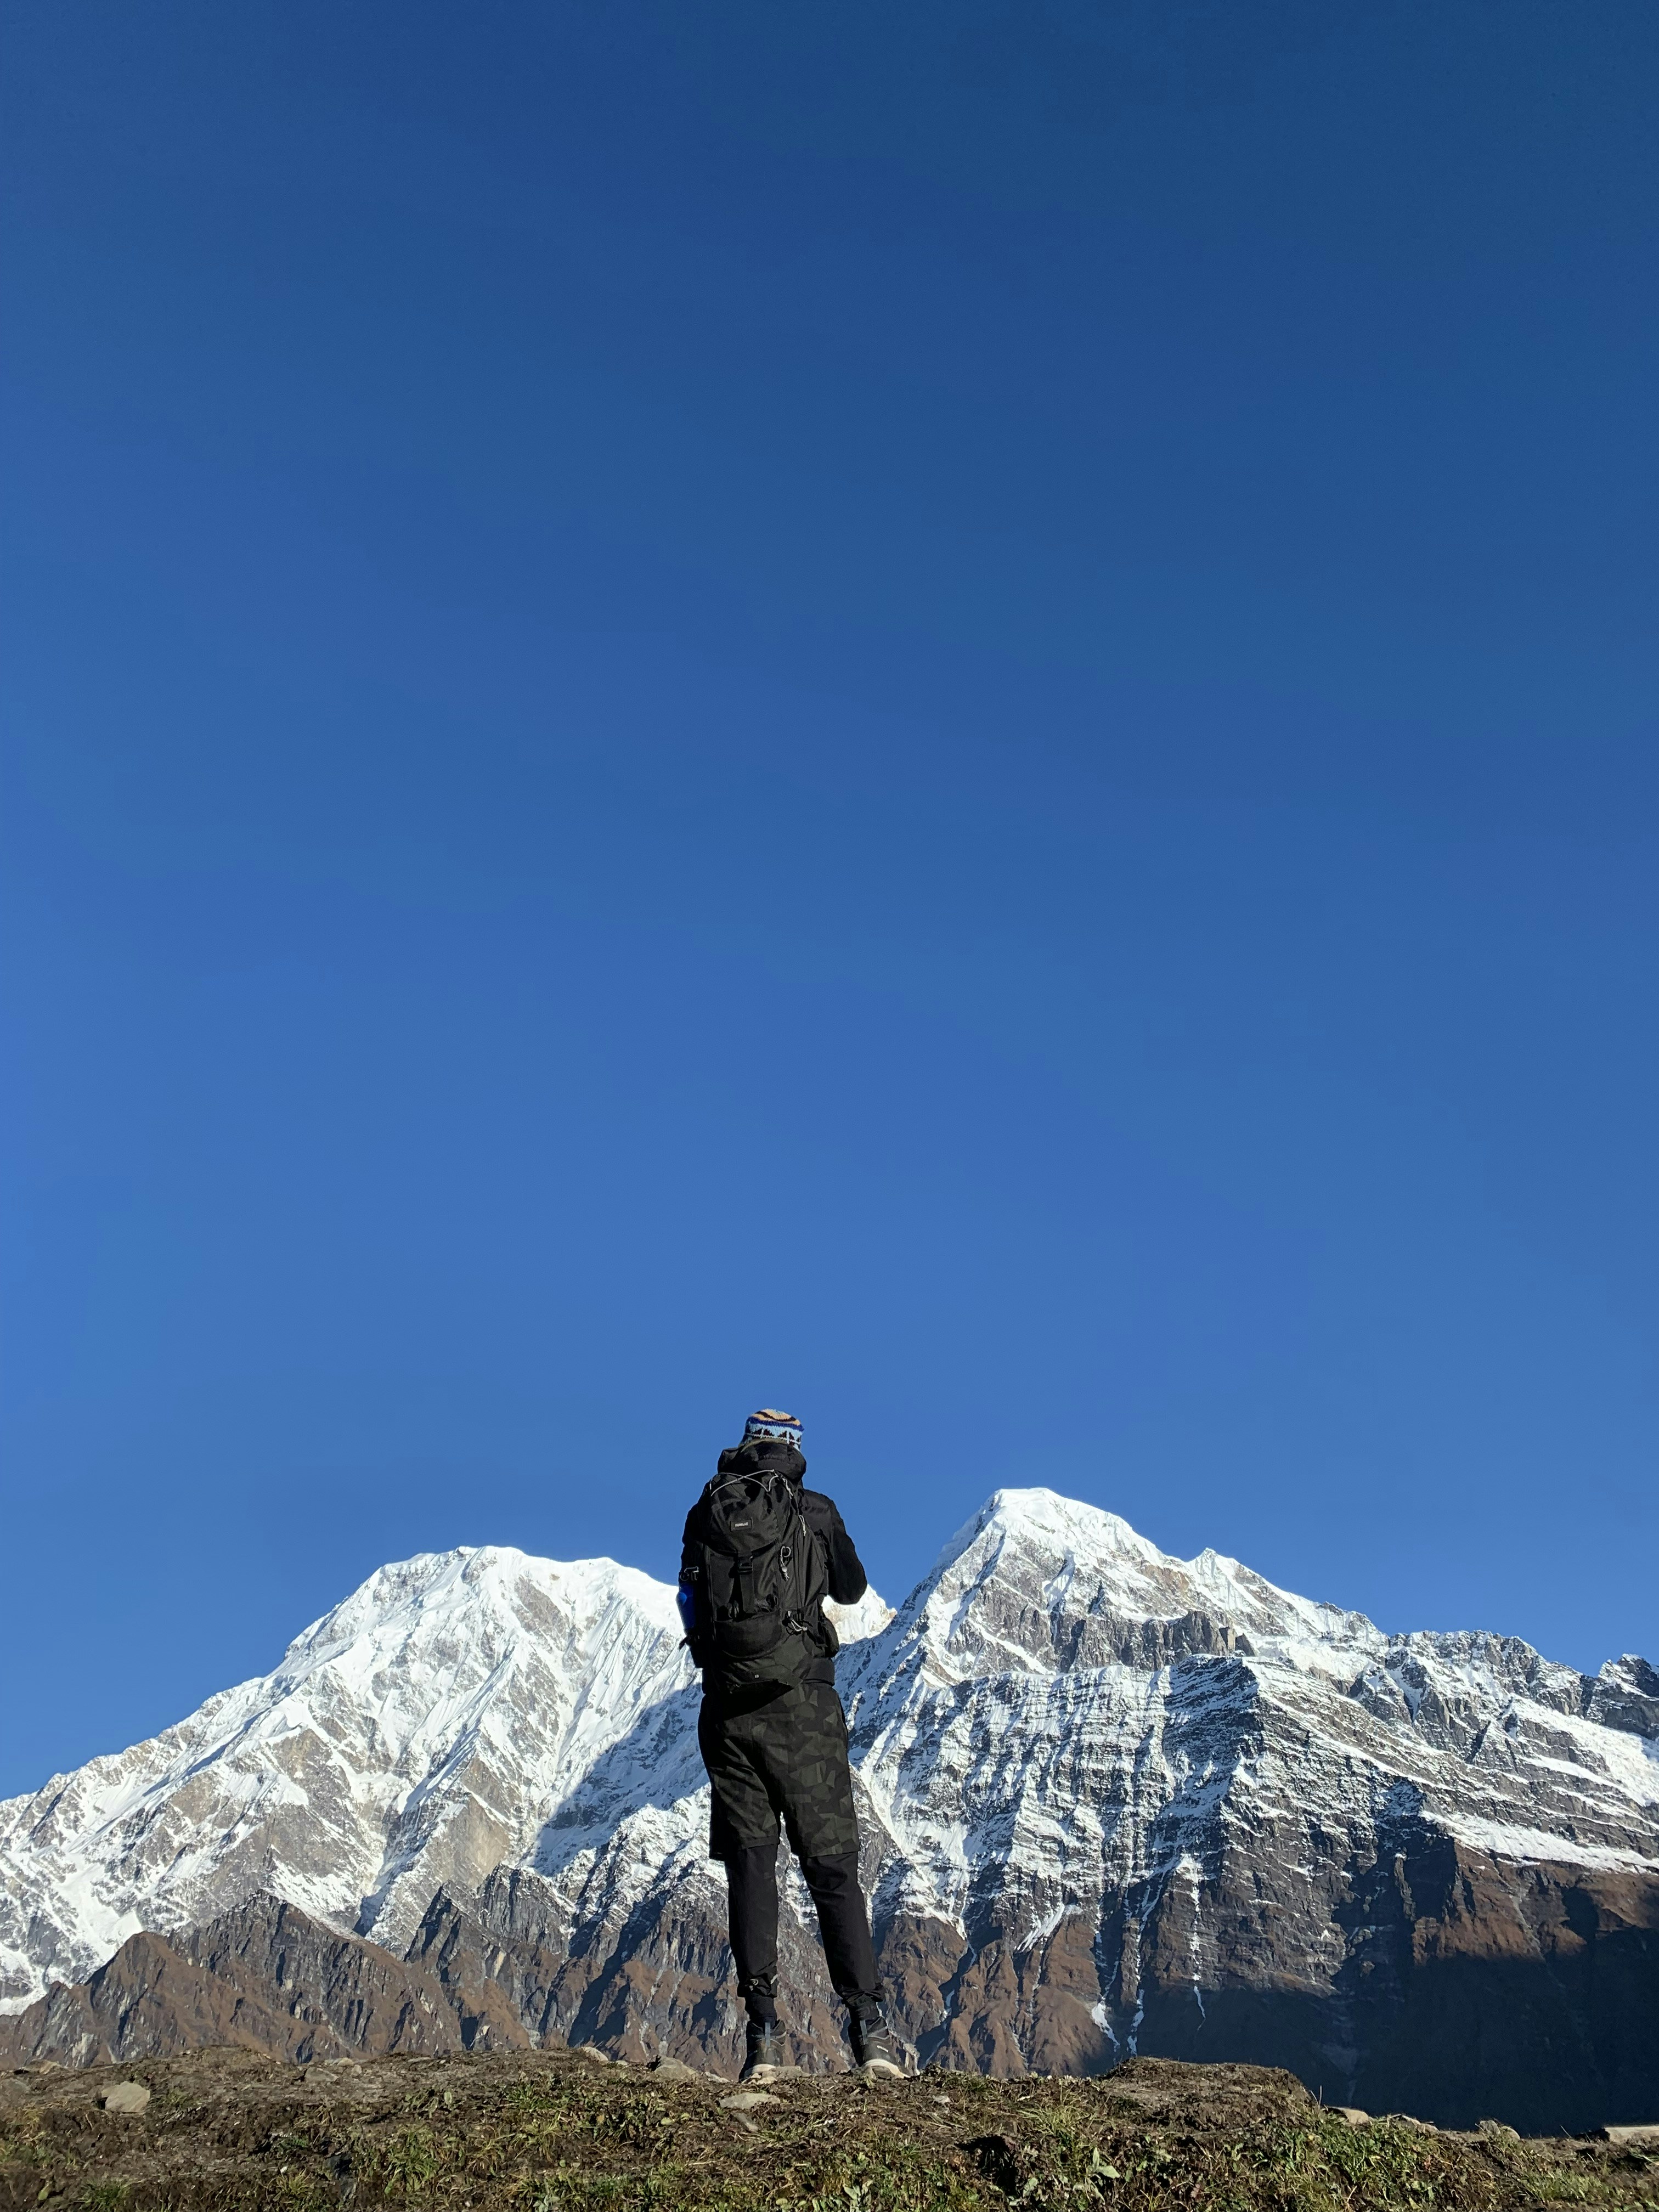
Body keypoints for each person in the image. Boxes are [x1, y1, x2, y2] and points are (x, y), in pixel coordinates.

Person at [679, 1407, 904, 2081]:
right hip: (803, 1707)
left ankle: (763, 2040)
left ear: (746, 1447)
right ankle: (870, 2035)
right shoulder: (817, 1511)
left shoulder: (706, 1513)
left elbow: (690, 1602)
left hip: (727, 1714)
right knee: (831, 1868)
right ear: (796, 1451)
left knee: (752, 1869)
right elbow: (853, 1588)